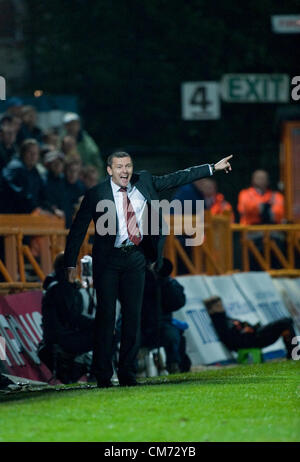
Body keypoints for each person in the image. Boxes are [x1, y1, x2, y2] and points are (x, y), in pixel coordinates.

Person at [64, 150, 233, 387]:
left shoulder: (144, 181)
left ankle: (127, 374)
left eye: (128, 166)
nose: (125, 171)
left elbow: (177, 177)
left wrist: (211, 168)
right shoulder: (96, 193)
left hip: (136, 258)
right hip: (108, 261)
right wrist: (70, 264)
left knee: (134, 316)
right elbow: (77, 230)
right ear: (109, 170)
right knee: (106, 317)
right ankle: (102, 375)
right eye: (119, 167)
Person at [38, 252, 95, 383]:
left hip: (58, 337)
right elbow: (72, 318)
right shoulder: (61, 289)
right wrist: (97, 323)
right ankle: (93, 372)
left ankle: (82, 367)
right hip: (62, 338)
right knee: (104, 334)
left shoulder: (58, 286)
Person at [203, 296, 298, 359]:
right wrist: (245, 331)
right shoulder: (219, 321)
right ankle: (293, 352)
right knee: (285, 322)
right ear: (212, 308)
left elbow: (238, 327)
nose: (221, 306)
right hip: (250, 340)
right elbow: (231, 338)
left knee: (287, 323)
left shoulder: (224, 318)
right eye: (218, 305)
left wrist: (248, 327)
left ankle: (293, 352)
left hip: (252, 336)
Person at [0, 139, 49, 214]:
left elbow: (41, 195)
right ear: (23, 153)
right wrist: (34, 208)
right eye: (30, 152)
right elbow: (16, 193)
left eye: (35, 153)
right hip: (11, 216)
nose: (33, 156)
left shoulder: (35, 171)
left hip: (28, 216)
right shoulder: (14, 167)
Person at [62, 112, 105, 179]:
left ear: (79, 125)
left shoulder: (86, 139)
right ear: (65, 126)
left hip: (87, 174)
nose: (72, 126)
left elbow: (95, 155)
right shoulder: (61, 139)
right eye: (69, 124)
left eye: (75, 123)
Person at [64, 156, 86, 228]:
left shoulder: (82, 188)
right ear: (65, 171)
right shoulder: (60, 185)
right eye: (70, 171)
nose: (73, 174)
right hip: (61, 222)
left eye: (75, 171)